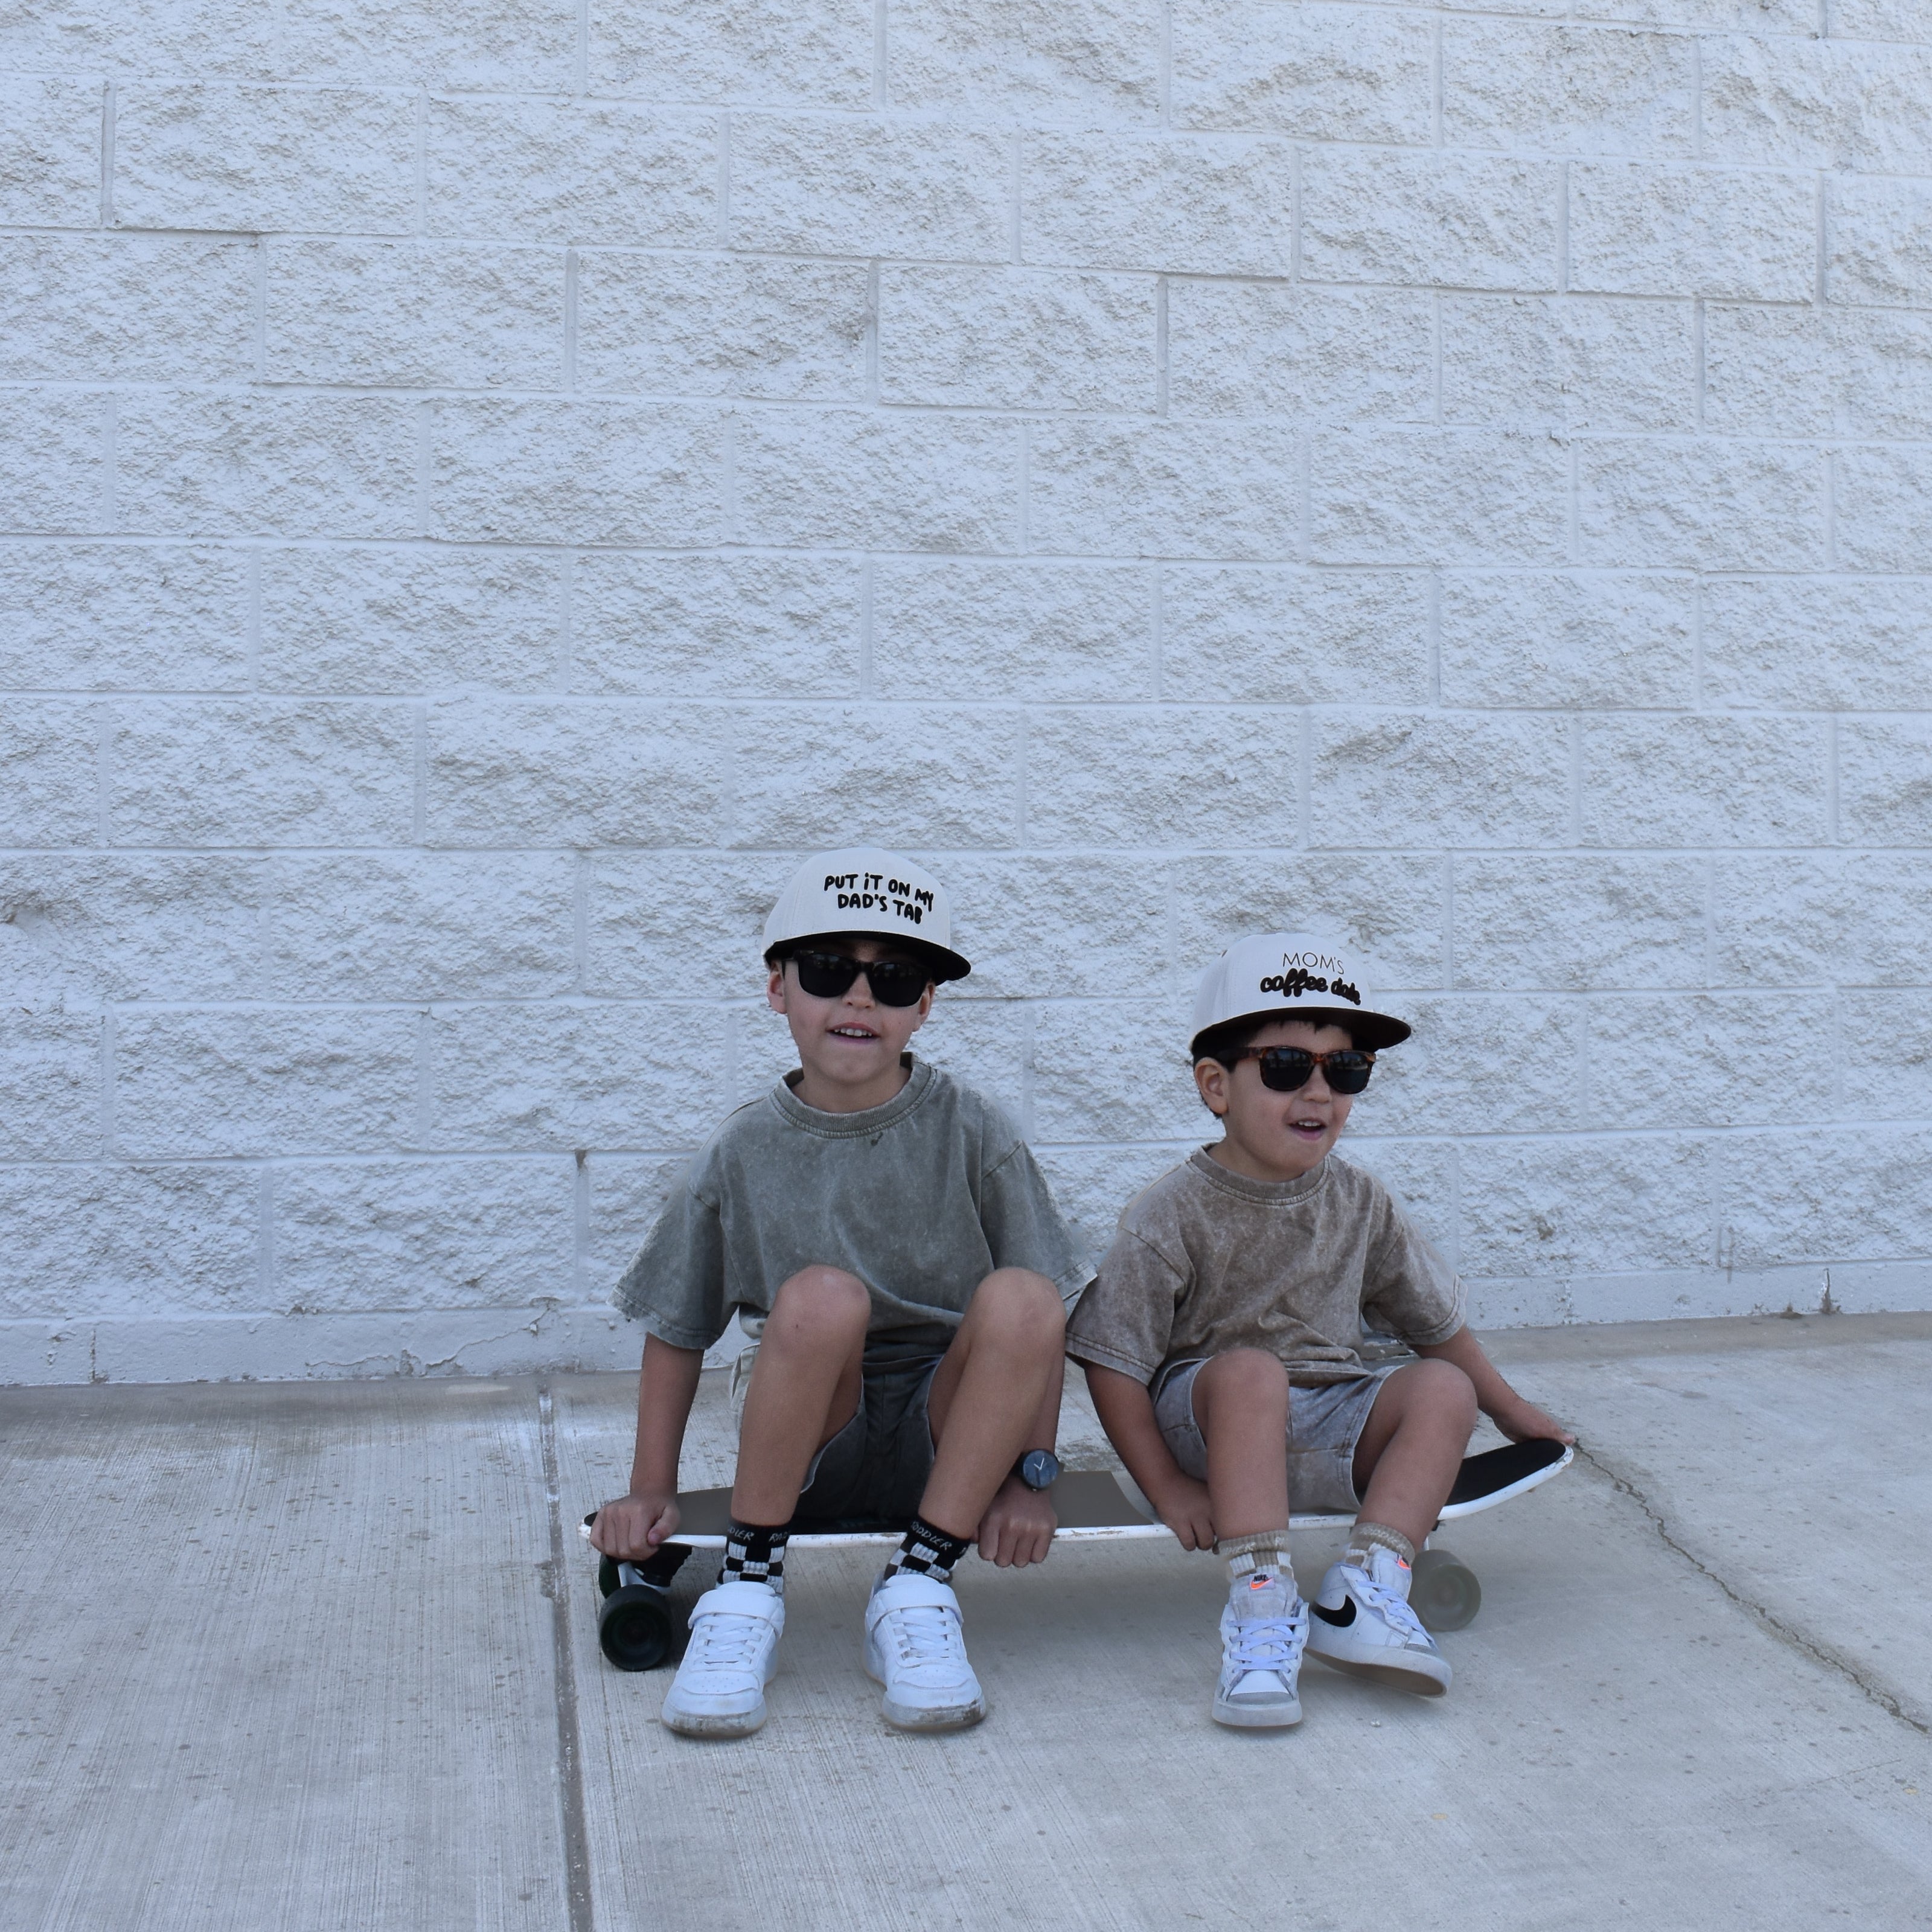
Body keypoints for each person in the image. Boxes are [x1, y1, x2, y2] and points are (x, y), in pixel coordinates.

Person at [590, 847, 1088, 1739]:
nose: (861, 1000)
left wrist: (1030, 1476)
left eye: (894, 981)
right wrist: (648, 1490)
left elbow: (1044, 1315)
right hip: (810, 1438)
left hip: (953, 1448)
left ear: (925, 1007)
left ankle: (919, 1585)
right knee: (821, 1298)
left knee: (1020, 1294)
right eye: (829, 972)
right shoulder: (740, 1151)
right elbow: (677, 1325)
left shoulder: (975, 1132)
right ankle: (747, 1590)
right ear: (778, 988)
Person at [1067, 933, 1572, 1730]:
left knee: (1444, 1387)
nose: (1319, 1092)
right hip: (1211, 1428)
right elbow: (1112, 1359)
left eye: (1345, 1070)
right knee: (1250, 1373)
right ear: (1215, 1086)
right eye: (1284, 1067)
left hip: (1333, 1421)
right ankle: (1262, 1606)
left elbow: (1434, 1325)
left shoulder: (1361, 1201)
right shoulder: (1170, 1212)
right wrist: (1165, 1487)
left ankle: (1367, 1586)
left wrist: (1510, 1413)